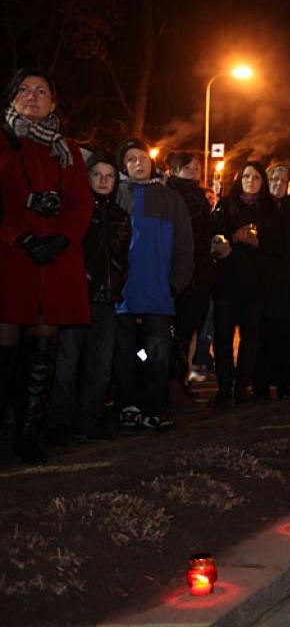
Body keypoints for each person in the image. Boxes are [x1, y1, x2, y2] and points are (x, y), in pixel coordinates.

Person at [0, 68, 92, 463]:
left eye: (41, 91)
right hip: (10, 259)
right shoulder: (2, 143)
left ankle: (28, 434)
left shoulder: (67, 149)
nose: (32, 96)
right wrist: (19, 236)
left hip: (53, 262)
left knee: (42, 351)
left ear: (53, 102)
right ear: (10, 98)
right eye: (23, 90)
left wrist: (61, 239)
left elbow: (80, 202)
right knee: (5, 349)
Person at [48, 153, 130, 443]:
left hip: (107, 301)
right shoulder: (77, 211)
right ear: (87, 177)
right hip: (76, 298)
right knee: (68, 364)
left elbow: (122, 257)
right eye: (97, 174)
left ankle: (89, 422)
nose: (104, 180)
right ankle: (59, 425)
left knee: (100, 366)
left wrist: (118, 284)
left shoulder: (121, 216)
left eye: (109, 175)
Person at [114, 138, 193, 432]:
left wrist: (175, 283)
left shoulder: (170, 199)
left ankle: (152, 408)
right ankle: (127, 405)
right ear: (123, 164)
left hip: (159, 294)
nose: (138, 162)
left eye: (142, 157)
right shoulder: (115, 193)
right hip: (122, 294)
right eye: (131, 158)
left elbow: (185, 245)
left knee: (156, 353)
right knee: (126, 353)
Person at [209, 162, 283, 405]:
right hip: (227, 283)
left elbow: (279, 248)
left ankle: (242, 386)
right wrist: (232, 238)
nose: (250, 181)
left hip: (256, 284)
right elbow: (213, 237)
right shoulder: (226, 206)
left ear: (263, 182)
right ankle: (224, 388)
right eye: (246, 176)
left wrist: (258, 244)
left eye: (256, 177)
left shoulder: (271, 210)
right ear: (239, 179)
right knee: (223, 337)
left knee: (251, 338)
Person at [253, 163, 290, 399]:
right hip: (263, 282)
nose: (278, 184)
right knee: (262, 335)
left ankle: (284, 382)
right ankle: (260, 382)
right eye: (274, 180)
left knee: (286, 335)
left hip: (288, 283)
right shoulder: (259, 206)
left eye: (282, 180)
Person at [164, 151, 213, 410]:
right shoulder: (173, 194)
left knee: (188, 332)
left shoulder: (198, 196)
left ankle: (180, 382)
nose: (195, 170)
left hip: (199, 270)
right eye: (189, 166)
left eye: (197, 167)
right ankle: (170, 385)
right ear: (174, 169)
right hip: (182, 273)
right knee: (175, 333)